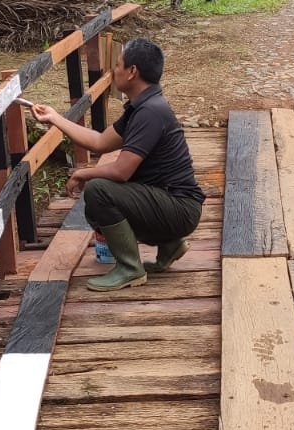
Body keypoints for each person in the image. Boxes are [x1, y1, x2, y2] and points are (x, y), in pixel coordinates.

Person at [30, 38, 204, 291]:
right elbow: (99, 142)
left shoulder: (150, 112)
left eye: (118, 65)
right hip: (172, 204)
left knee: (98, 190)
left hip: (180, 208)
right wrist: (55, 118)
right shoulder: (141, 107)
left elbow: (121, 172)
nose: (113, 71)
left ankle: (130, 269)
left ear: (132, 71)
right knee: (100, 195)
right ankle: (169, 244)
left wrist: (84, 174)